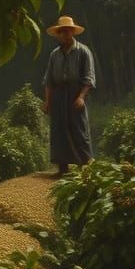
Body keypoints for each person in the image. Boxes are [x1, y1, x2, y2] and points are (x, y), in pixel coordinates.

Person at [41, 15, 96, 176]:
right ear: (58, 34)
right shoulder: (54, 54)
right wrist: (47, 101)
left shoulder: (83, 51)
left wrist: (81, 97)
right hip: (58, 94)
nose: (64, 35)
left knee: (79, 129)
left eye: (67, 31)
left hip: (75, 94)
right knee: (59, 130)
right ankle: (62, 168)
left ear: (72, 32)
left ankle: (85, 167)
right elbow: (49, 80)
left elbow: (89, 78)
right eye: (61, 32)